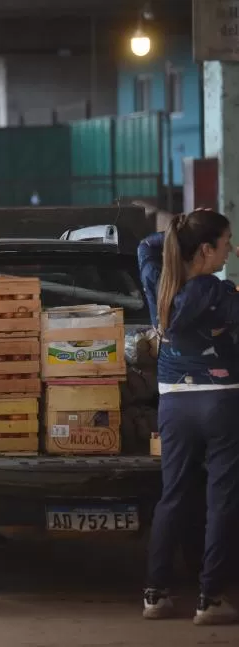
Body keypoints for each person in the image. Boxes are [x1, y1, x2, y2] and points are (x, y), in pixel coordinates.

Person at [141, 209, 239, 625]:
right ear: (205, 248)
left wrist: (177, 229)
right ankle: (210, 598)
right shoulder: (216, 291)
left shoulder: (157, 284)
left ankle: (155, 595)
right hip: (220, 400)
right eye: (225, 242)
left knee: (173, 495)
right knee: (222, 498)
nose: (229, 249)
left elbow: (148, 245)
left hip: (173, 402)